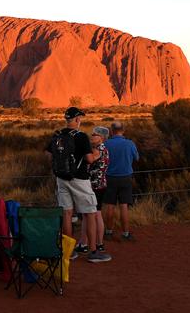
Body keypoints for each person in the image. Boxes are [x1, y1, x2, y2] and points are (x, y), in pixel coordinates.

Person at [46, 107, 111, 263]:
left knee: (67, 214)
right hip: (80, 179)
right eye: (79, 118)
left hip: (61, 179)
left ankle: (68, 252)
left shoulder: (58, 135)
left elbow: (49, 155)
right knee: (90, 213)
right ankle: (94, 251)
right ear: (77, 120)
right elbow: (89, 159)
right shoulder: (81, 136)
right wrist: (96, 155)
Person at [75, 126, 110, 254]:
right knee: (96, 214)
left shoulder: (97, 150)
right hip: (101, 185)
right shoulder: (105, 149)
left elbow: (90, 160)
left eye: (95, 135)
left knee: (89, 215)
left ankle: (86, 244)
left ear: (101, 138)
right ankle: (97, 243)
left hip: (93, 186)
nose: (92, 136)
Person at [103, 121, 139, 241]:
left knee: (110, 205)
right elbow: (137, 158)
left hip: (110, 178)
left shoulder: (106, 143)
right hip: (125, 177)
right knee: (124, 206)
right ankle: (125, 233)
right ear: (123, 130)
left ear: (111, 131)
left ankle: (108, 232)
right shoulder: (129, 143)